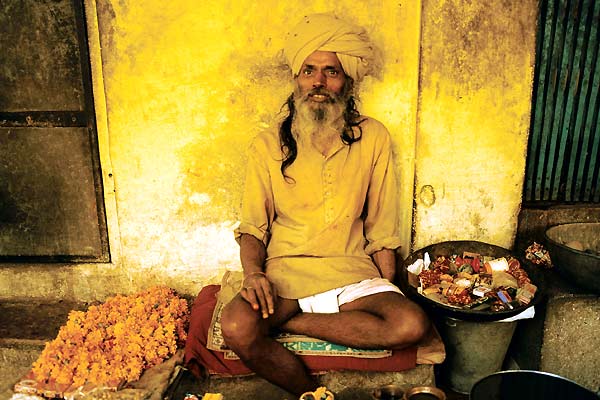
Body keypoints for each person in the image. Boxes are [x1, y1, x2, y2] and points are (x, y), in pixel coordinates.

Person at [220, 13, 430, 397]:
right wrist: (253, 275)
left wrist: (390, 287)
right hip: (286, 275)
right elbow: (252, 228)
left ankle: (290, 322)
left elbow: (382, 228)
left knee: (411, 325)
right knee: (235, 326)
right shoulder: (267, 145)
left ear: (347, 80)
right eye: (308, 71)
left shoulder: (373, 137)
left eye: (331, 71)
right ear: (296, 79)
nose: (318, 82)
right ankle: (312, 395)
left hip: (351, 271)